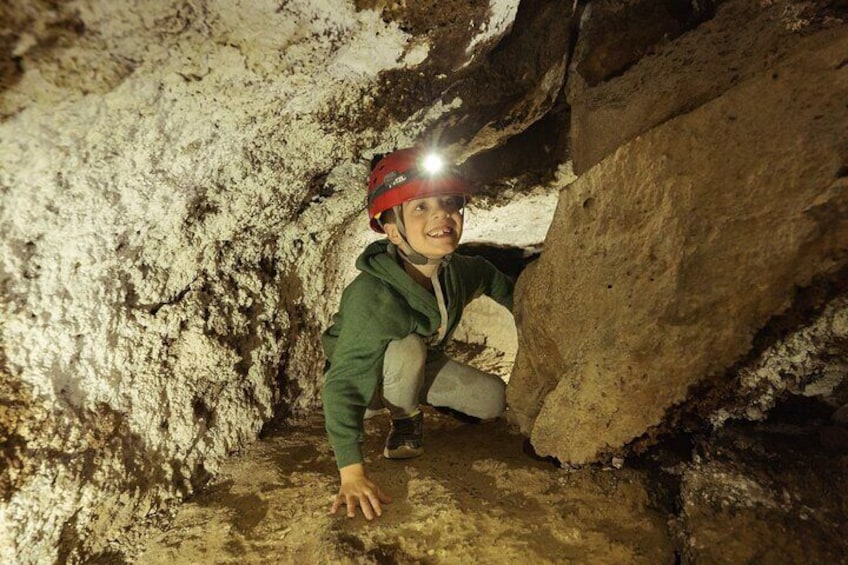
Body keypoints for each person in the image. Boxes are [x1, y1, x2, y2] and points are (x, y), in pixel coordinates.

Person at [322, 147, 514, 520]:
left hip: (422, 360)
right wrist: (352, 472)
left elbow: (493, 278)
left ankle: (418, 395)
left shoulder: (458, 271)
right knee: (406, 348)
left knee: (494, 400)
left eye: (448, 202)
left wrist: (529, 311)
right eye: (421, 207)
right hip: (369, 378)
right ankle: (405, 419)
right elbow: (342, 383)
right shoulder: (373, 297)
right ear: (393, 230)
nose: (442, 214)